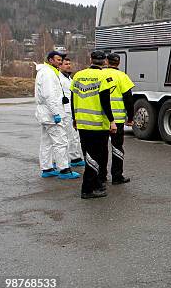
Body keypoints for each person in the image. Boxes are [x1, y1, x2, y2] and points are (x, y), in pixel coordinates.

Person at [71, 51, 117, 199]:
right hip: (97, 124)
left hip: (82, 123)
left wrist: (74, 118)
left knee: (88, 155)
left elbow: (72, 98)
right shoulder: (104, 76)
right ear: (104, 61)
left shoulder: (78, 75)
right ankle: (87, 189)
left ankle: (97, 183)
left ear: (90, 59)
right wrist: (112, 120)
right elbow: (105, 101)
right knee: (95, 157)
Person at [35, 51, 80, 179]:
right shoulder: (48, 74)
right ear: (50, 60)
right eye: (58, 59)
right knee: (61, 141)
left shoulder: (46, 72)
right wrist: (56, 114)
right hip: (50, 114)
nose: (60, 62)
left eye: (61, 59)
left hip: (45, 113)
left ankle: (47, 168)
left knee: (47, 142)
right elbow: (49, 95)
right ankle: (64, 169)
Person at [102, 53, 135, 185]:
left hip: (102, 119)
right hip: (118, 120)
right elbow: (129, 99)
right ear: (119, 63)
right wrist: (130, 117)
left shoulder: (101, 75)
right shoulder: (123, 77)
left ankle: (101, 176)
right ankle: (117, 176)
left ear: (107, 62)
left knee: (102, 149)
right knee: (117, 147)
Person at [58, 57, 84, 168]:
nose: (68, 65)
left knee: (74, 136)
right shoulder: (58, 79)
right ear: (59, 66)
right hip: (65, 111)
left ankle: (75, 157)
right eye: (65, 64)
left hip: (71, 110)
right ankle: (74, 158)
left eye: (69, 63)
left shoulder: (69, 78)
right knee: (70, 136)